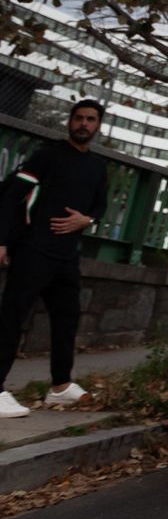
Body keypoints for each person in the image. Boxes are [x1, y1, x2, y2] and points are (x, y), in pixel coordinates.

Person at [0, 99, 110, 418]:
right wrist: (3, 241)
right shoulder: (48, 155)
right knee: (11, 318)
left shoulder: (98, 167)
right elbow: (12, 196)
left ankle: (60, 387)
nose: (84, 124)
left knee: (67, 319)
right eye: (79, 118)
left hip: (66, 257)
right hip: (33, 250)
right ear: (70, 121)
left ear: (98, 125)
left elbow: (100, 206)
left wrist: (86, 220)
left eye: (90, 119)